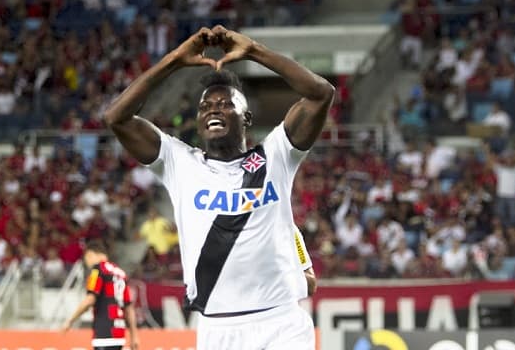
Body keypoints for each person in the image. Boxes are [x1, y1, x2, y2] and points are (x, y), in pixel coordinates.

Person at [104, 25, 334, 349]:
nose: (213, 108)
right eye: (205, 106)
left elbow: (321, 93)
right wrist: (174, 60)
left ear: (246, 118)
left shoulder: (276, 154)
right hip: (217, 329)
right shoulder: (178, 162)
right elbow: (116, 117)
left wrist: (254, 50)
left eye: (225, 103)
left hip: (281, 323)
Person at [62, 241, 138, 350]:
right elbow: (128, 307)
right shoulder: (120, 273)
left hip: (104, 332)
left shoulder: (97, 270)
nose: (87, 262)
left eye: (86, 258)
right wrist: (134, 335)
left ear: (90, 254)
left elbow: (90, 299)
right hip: (119, 332)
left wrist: (70, 321)